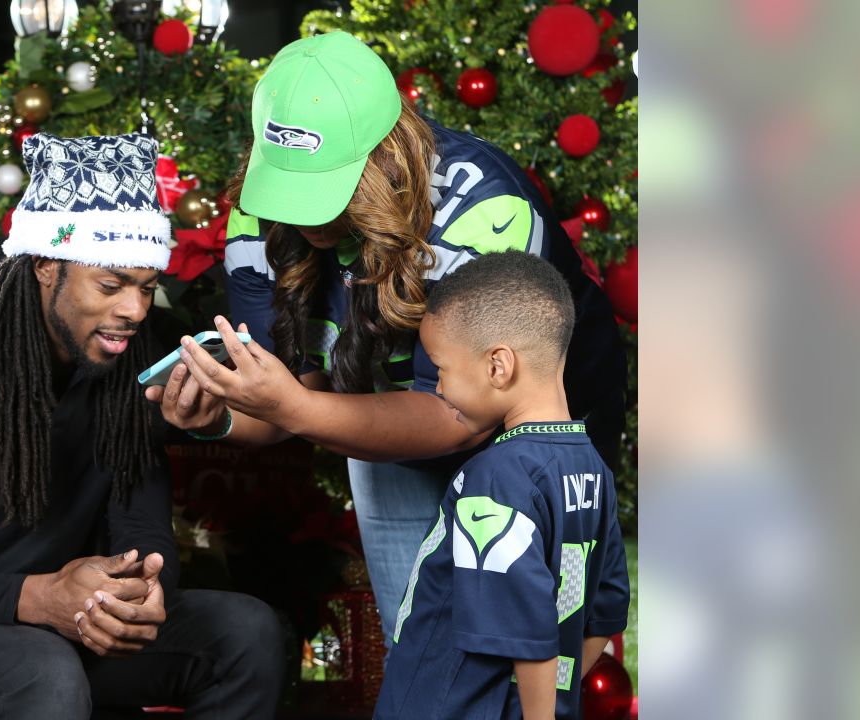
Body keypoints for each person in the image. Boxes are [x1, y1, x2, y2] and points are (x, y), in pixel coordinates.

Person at [147, 30, 626, 643]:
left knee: (536, 651)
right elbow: (287, 397)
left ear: (387, 155)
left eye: (326, 187)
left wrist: (297, 406)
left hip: (538, 435)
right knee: (420, 647)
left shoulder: (482, 211)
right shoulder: (259, 212)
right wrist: (217, 415)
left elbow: (463, 414)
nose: (302, 216)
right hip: (381, 416)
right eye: (291, 186)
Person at [0, 132, 285, 720]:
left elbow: (139, 517)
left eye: (146, 288)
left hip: (48, 618)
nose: (135, 311)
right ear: (45, 265)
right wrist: (37, 597)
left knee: (245, 634)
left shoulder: (135, 359)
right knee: (42, 671)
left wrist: (139, 588)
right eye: (110, 285)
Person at [374, 251, 629, 720]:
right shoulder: (592, 468)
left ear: (498, 366)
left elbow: (524, 627)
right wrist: (551, 700)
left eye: (441, 368)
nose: (439, 389)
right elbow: (605, 612)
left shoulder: (496, 476)